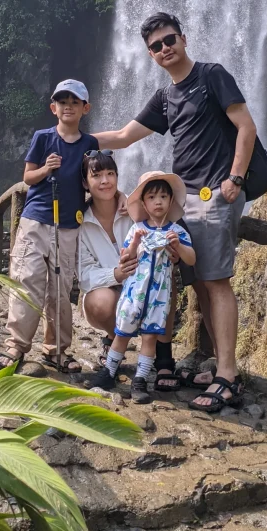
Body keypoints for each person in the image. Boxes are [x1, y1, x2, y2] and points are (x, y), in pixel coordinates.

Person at [94, 12, 257, 414]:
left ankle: (228, 378)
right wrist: (69, 136)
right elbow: (123, 137)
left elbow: (246, 127)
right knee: (201, 284)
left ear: (183, 39)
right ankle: (219, 366)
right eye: (156, 46)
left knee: (216, 283)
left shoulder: (211, 75)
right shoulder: (166, 98)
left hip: (215, 194)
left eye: (169, 41)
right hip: (184, 202)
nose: (164, 49)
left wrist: (234, 178)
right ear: (150, 55)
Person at [0, 79, 97, 374]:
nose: (68, 106)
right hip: (36, 220)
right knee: (27, 280)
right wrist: (46, 168)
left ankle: (57, 349)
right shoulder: (43, 137)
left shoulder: (89, 144)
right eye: (62, 102)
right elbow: (28, 177)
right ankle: (16, 345)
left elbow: (93, 178)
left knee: (61, 290)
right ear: (54, 108)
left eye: (74, 102)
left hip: (68, 225)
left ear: (84, 108)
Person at [78, 150, 180, 390]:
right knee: (100, 301)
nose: (105, 181)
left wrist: (173, 251)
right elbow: (83, 274)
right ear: (85, 182)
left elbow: (160, 222)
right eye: (97, 175)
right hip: (112, 291)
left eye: (111, 174)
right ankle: (114, 340)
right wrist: (116, 274)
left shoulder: (136, 212)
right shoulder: (80, 222)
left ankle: (163, 353)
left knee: (166, 281)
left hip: (146, 285)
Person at [90, 171, 195, 403]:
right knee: (121, 333)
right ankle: (108, 372)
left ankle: (140, 380)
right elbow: (125, 256)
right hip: (133, 294)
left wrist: (178, 247)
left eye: (163, 197)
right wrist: (136, 240)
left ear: (170, 202)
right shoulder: (136, 228)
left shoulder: (176, 232)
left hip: (160, 294)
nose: (158, 201)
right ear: (144, 204)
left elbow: (191, 259)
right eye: (152, 197)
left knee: (149, 338)